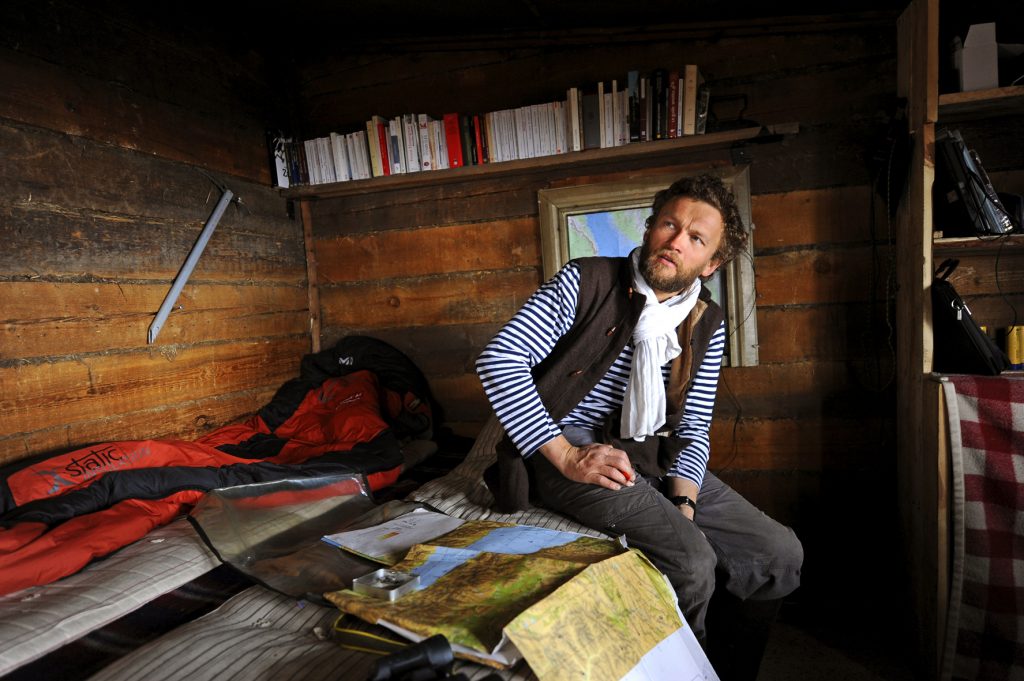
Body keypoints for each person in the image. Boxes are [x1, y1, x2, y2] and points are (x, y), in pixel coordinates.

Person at [476, 173, 803, 680]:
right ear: (650, 229)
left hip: (652, 453)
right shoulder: (585, 280)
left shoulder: (705, 322)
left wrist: (682, 503)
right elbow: (500, 360)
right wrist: (565, 455)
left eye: (696, 237)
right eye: (669, 225)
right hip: (567, 449)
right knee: (691, 562)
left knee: (779, 551)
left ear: (711, 263)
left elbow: (693, 427)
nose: (676, 241)